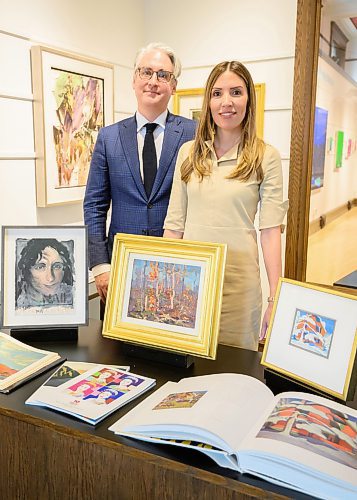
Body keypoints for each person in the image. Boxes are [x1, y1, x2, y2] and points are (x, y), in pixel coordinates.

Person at [164, 61, 288, 351]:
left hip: (239, 289)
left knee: (236, 376)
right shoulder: (188, 153)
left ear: (249, 99)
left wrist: (275, 298)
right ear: (208, 101)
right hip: (189, 288)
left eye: (236, 92)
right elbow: (173, 227)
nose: (226, 102)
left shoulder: (265, 156)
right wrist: (166, 287)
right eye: (217, 93)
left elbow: (270, 232)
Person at [83, 42, 196, 302]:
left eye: (163, 75)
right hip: (120, 268)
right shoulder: (108, 137)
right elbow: (94, 205)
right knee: (115, 343)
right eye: (146, 72)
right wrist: (100, 266)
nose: (153, 81)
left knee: (171, 341)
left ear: (174, 85)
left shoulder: (194, 134)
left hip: (178, 269)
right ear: (134, 79)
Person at [16, 238, 74, 308]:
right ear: (27, 271)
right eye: (40, 267)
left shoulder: (72, 294)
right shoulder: (19, 303)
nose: (50, 278)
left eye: (57, 266)